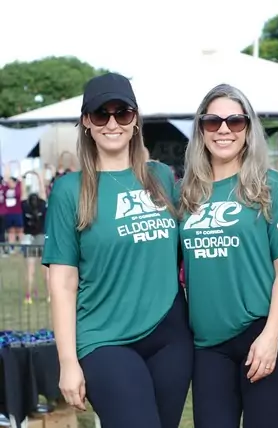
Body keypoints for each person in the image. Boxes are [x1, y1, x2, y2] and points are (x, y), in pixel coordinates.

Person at [42, 72, 193, 428]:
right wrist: (67, 361)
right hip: (104, 339)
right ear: (86, 122)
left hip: (170, 336)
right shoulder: (69, 190)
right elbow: (62, 283)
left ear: (135, 119)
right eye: (101, 114)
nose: (113, 123)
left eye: (122, 113)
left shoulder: (161, 178)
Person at [178, 83, 278, 428]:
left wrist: (271, 335)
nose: (223, 130)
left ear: (248, 128)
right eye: (212, 121)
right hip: (208, 343)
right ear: (200, 129)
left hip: (263, 330)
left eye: (235, 121)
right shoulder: (185, 193)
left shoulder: (270, 186)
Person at [21, 170, 49, 304]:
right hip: (41, 239)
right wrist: (38, 176)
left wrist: (24, 177)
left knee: (30, 271)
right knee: (46, 271)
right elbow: (43, 191)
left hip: (29, 239)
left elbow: (22, 192)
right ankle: (49, 295)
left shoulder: (25, 206)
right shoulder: (42, 205)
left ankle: (28, 297)